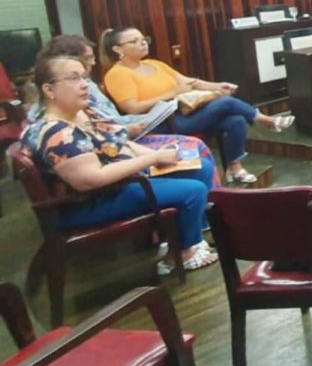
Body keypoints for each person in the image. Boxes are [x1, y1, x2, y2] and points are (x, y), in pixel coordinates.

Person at [23, 55, 219, 270]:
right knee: (194, 190)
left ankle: (186, 239)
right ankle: (182, 253)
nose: (84, 85)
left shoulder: (84, 113)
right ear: (49, 90)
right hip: (91, 202)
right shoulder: (56, 132)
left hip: (118, 184)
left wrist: (159, 157)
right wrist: (151, 158)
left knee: (200, 166)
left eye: (85, 78)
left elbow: (119, 142)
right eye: (73, 78)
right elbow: (90, 180)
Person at [100, 27, 294, 184]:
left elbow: (189, 82)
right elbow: (131, 108)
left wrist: (217, 85)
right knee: (225, 103)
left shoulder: (155, 64)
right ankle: (264, 120)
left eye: (143, 39)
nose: (142, 43)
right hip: (160, 124)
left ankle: (234, 168)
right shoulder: (117, 74)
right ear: (118, 49)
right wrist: (172, 93)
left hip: (184, 113)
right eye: (134, 41)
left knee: (234, 120)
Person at [25, 35, 219, 186]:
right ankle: (212, 208)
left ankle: (213, 205)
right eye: (88, 59)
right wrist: (148, 150)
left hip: (125, 143)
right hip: (121, 164)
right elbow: (92, 172)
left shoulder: (81, 93)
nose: (93, 64)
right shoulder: (56, 121)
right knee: (195, 146)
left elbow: (107, 128)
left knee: (226, 119)